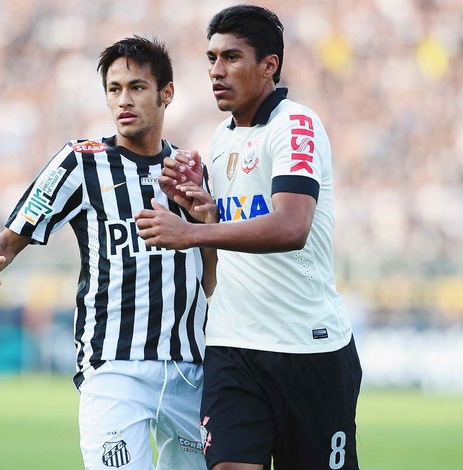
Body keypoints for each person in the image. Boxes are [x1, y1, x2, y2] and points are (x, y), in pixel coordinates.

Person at [0, 36, 211, 470]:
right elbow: (10, 236)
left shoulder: (190, 170)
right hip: (115, 370)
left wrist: (204, 223)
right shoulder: (80, 162)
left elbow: (211, 280)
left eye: (137, 87)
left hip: (192, 369)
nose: (123, 100)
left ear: (166, 93)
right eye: (114, 90)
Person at [135, 5, 362, 470]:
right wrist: (202, 213)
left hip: (307, 347)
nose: (216, 71)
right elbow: (233, 233)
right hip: (232, 345)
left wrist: (189, 234)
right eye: (211, 58)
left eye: (232, 57)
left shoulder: (296, 126)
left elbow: (291, 226)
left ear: (269, 66)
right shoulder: (222, 138)